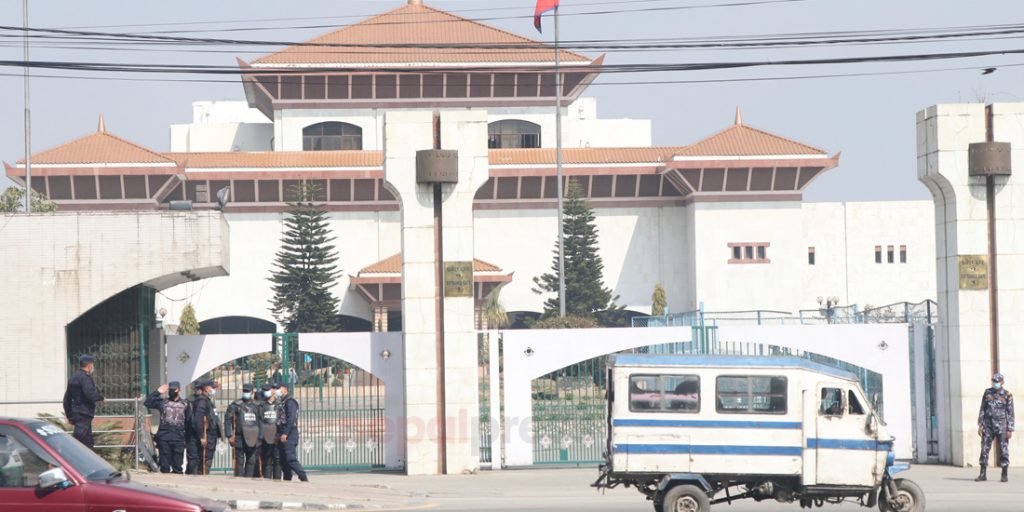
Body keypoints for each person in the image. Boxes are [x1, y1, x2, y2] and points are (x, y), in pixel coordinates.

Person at [977, 372, 1015, 482]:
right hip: (988, 426)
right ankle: (982, 473)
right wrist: (980, 424)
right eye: (994, 381)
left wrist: (1010, 428)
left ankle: (1004, 474)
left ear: (1002, 382)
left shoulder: (1007, 395)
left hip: (1002, 426)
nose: (995, 383)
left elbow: (1010, 413)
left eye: (997, 381)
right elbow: (982, 409)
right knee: (984, 449)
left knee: (1003, 450)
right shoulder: (987, 393)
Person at [143, 381, 188, 474]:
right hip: (164, 437)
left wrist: (187, 438)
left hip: (178, 437)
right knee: (165, 466)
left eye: (174, 389)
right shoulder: (163, 402)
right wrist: (158, 392)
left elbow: (189, 421)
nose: (172, 391)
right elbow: (147, 402)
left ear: (179, 390)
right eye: (170, 390)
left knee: (177, 467)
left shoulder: (185, 404)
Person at [62, 354, 104, 449]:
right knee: (79, 442)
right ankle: (72, 461)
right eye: (92, 364)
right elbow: (89, 393)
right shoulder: (85, 378)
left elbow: (66, 399)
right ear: (89, 365)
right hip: (84, 413)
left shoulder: (73, 377)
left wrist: (69, 415)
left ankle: (90, 462)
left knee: (88, 443)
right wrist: (101, 398)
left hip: (78, 414)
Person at [225, 383, 262, 477]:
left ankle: (248, 480)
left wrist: (260, 437)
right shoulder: (236, 405)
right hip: (239, 436)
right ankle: (239, 480)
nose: (246, 393)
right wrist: (229, 435)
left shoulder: (257, 406)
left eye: (247, 391)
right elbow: (228, 420)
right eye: (244, 391)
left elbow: (261, 422)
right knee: (239, 460)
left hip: (253, 436)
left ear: (252, 392)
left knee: (252, 460)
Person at [278, 383, 308, 482]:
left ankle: (302, 476)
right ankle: (287, 479)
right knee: (283, 460)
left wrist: (285, 433)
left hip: (290, 433)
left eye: (279, 388)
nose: (277, 391)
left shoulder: (290, 401)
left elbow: (291, 419)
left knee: (290, 457)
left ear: (285, 389)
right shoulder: (282, 402)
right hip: (282, 432)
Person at [192, 380, 223, 475]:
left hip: (211, 436)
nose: (214, 390)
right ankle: (201, 476)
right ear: (206, 388)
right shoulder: (202, 401)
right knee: (204, 459)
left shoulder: (208, 401)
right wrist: (202, 436)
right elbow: (199, 421)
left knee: (208, 458)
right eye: (212, 388)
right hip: (207, 435)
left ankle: (204, 474)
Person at [259, 383, 283, 480]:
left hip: (277, 434)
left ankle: (277, 480)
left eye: (269, 389)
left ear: (274, 391)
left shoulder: (279, 404)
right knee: (267, 459)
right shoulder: (261, 405)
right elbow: (260, 420)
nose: (267, 391)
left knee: (277, 459)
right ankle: (267, 481)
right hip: (266, 435)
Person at [184, 381, 203, 475]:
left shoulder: (205, 400)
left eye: (200, 388)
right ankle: (191, 474)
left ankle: (195, 474)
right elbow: (185, 417)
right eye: (197, 388)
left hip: (202, 434)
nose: (199, 390)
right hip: (191, 433)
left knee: (200, 457)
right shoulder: (189, 400)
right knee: (192, 457)